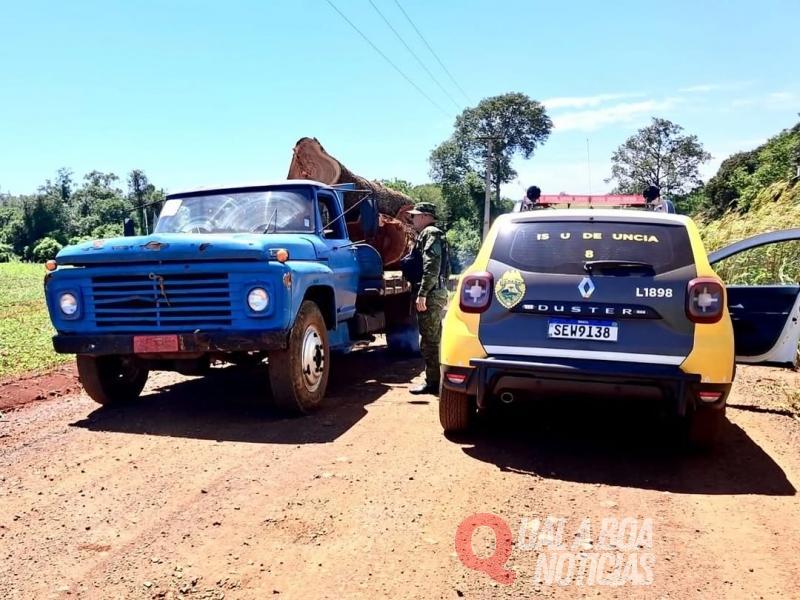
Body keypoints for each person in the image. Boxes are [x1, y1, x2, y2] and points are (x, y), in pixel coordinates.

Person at [405, 202, 450, 395]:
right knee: (434, 338)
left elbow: (432, 266)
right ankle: (437, 380)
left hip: (431, 294)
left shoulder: (430, 233)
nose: (412, 219)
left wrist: (423, 293)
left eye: (415, 216)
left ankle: (434, 382)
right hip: (434, 292)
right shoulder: (430, 234)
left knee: (430, 341)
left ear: (424, 216)